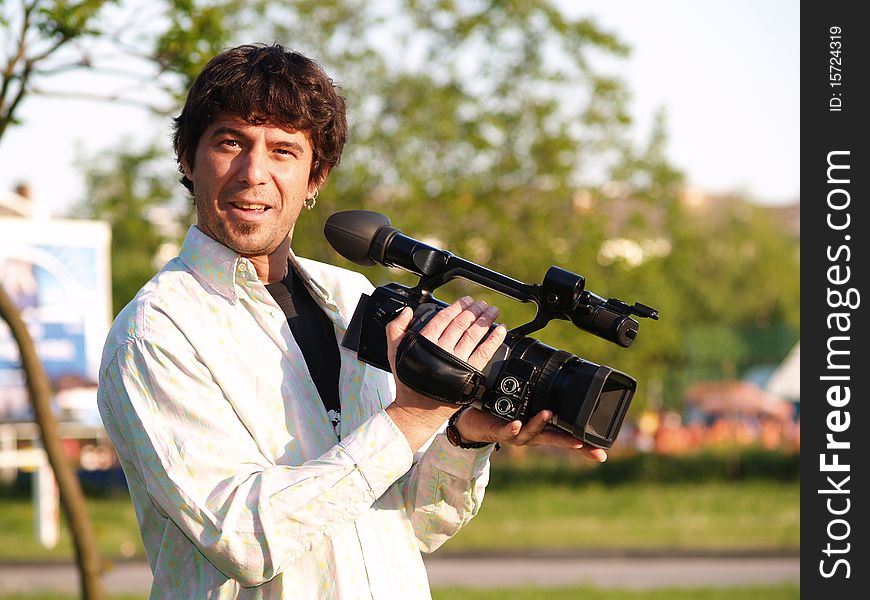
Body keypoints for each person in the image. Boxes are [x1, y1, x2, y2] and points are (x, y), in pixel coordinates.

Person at [97, 43, 606, 599]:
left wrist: (461, 437)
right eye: (230, 142)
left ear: (316, 177)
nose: (253, 173)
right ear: (188, 159)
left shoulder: (350, 295)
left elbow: (406, 523)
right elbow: (240, 538)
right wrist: (411, 418)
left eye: (283, 151)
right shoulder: (156, 331)